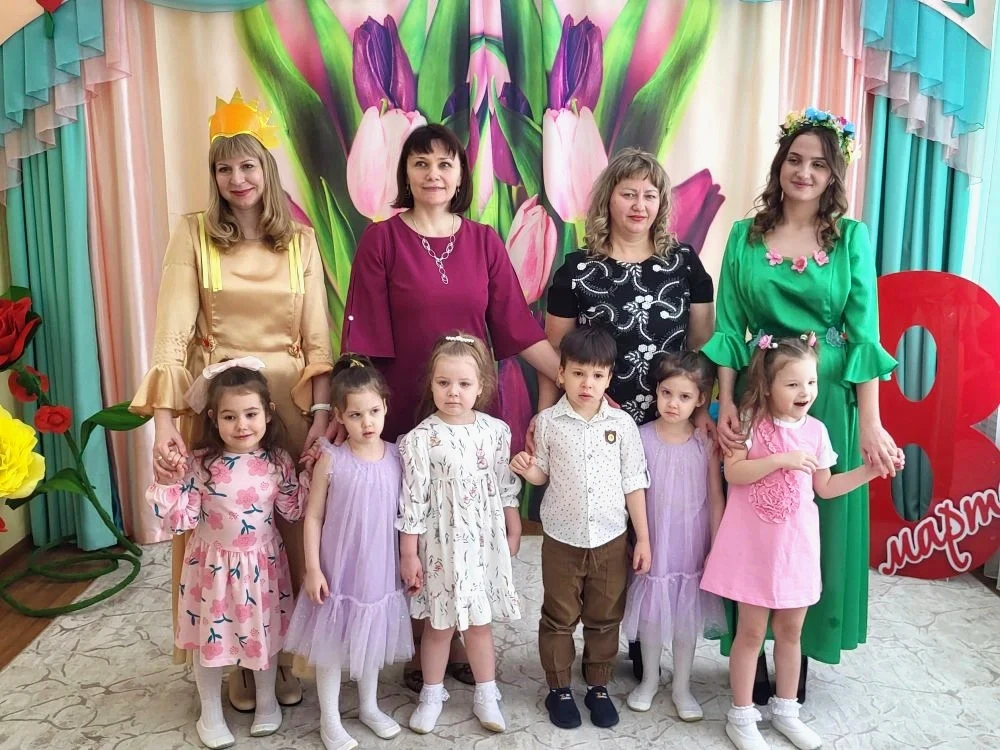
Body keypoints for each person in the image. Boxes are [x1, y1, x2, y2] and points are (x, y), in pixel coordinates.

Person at [131, 90, 333, 710]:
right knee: (220, 536)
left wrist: (321, 414)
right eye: (224, 168)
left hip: (287, 405)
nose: (237, 178)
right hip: (220, 404)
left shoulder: (300, 241)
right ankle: (231, 660)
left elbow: (318, 339)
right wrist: (165, 424)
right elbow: (171, 334)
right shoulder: (193, 235)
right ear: (214, 176)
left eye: (248, 165)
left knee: (289, 533)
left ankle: (282, 656)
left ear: (266, 169)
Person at [340, 123, 559, 691]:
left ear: (461, 174)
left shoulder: (484, 241)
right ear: (405, 173)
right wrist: (347, 414)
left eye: (444, 164)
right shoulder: (381, 241)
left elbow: (515, 326)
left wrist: (575, 380)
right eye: (421, 163)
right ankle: (423, 645)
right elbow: (363, 337)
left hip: (470, 414)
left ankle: (462, 640)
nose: (433, 174)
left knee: (468, 527)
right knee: (419, 525)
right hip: (402, 411)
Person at [704, 108, 901, 703]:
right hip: (757, 394)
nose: (804, 172)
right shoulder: (744, 235)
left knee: (814, 525)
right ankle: (751, 647)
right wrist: (725, 401)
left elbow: (864, 333)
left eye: (819, 163)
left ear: (834, 174)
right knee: (754, 519)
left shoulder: (851, 239)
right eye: (795, 159)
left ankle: (800, 649)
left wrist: (869, 422)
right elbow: (730, 326)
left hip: (825, 397)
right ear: (780, 165)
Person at [542, 147, 716, 679]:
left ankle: (648, 639)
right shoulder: (576, 270)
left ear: (661, 203)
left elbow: (701, 343)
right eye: (628, 193)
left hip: (667, 425)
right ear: (608, 199)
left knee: (657, 529)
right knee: (608, 537)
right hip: (598, 427)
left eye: (649, 194)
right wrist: (552, 416)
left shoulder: (684, 264)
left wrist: (698, 408)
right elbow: (558, 354)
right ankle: (602, 638)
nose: (639, 204)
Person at [700, 336, 903, 750]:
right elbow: (735, 473)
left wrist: (871, 471)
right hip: (754, 551)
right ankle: (741, 716)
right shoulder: (749, 423)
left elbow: (825, 487)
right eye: (793, 384)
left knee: (791, 631)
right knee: (751, 632)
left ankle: (786, 711)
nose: (805, 392)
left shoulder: (816, 431)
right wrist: (781, 460)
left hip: (796, 550)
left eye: (810, 382)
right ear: (768, 385)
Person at [146, 361, 309, 749]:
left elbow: (292, 510)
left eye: (251, 414)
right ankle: (210, 711)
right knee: (211, 640)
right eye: (230, 416)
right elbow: (182, 519)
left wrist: (311, 471)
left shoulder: (277, 461)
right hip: (213, 569)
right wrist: (169, 483)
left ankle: (267, 702)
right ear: (213, 418)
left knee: (263, 635)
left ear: (268, 413)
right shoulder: (201, 464)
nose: (241, 425)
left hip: (263, 568)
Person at [510, 325, 651, 731]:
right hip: (561, 539)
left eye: (597, 375)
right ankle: (559, 688)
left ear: (609, 377)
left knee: (605, 616)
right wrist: (528, 470)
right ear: (561, 374)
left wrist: (642, 538)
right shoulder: (548, 423)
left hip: (610, 538)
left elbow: (634, 483)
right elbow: (542, 474)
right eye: (578, 373)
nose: (587, 384)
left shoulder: (622, 425)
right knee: (559, 616)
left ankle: (597, 686)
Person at [283, 354, 413, 750]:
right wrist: (312, 568)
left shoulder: (396, 456)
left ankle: (369, 706)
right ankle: (330, 718)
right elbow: (313, 517)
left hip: (378, 568)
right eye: (355, 415)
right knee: (331, 643)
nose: (367, 422)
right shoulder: (332, 459)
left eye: (374, 411)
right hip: (337, 569)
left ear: (385, 407)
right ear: (339, 416)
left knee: (370, 634)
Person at [397, 333, 523, 735]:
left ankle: (486, 695)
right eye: (444, 383)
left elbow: (503, 483)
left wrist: (513, 523)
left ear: (481, 386)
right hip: (440, 547)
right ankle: (431, 695)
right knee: (439, 626)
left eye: (464, 383)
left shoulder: (495, 432)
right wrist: (409, 554)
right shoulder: (419, 439)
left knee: (480, 624)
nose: (454, 392)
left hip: (482, 543)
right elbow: (412, 501)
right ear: (431, 384)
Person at [622, 351, 725, 719]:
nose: (672, 403)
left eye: (684, 396)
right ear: (656, 391)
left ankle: (682, 686)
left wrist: (717, 545)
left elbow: (715, 496)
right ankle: (650, 679)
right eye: (666, 393)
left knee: (685, 618)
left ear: (700, 400)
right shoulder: (641, 438)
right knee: (651, 614)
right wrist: (639, 538)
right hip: (653, 542)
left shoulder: (705, 442)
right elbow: (632, 491)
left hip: (691, 544)